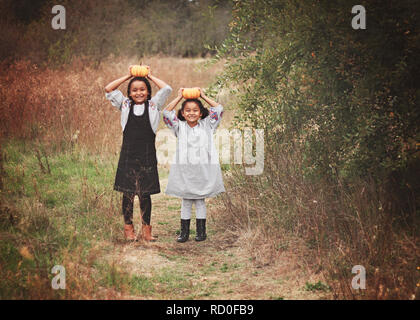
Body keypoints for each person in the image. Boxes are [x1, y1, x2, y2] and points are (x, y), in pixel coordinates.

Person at [104, 66, 172, 241]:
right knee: (127, 193)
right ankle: (128, 230)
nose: (139, 93)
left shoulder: (154, 105)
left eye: (142, 89)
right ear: (129, 93)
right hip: (128, 155)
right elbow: (109, 88)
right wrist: (128, 75)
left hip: (147, 155)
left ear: (148, 92)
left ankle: (146, 231)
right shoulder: (125, 105)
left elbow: (166, 89)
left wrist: (149, 75)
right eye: (134, 90)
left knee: (145, 194)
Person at [162, 88, 225, 242]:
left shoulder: (207, 125)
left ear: (201, 112)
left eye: (195, 110)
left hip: (203, 169)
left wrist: (203, 96)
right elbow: (166, 113)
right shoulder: (179, 127)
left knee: (200, 200)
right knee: (186, 200)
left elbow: (218, 109)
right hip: (185, 170)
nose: (191, 113)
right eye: (187, 110)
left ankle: (201, 232)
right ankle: (184, 233)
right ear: (182, 113)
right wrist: (178, 97)